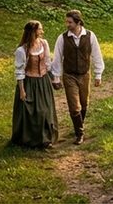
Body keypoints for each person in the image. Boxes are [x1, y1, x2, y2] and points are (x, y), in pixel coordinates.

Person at [51, 9, 104, 145]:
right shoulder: (62, 38)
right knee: (74, 106)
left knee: (84, 103)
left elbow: (97, 55)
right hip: (69, 75)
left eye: (70, 22)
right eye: (66, 22)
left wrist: (98, 74)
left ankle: (80, 125)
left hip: (85, 74)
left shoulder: (90, 36)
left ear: (78, 22)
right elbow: (57, 58)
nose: (67, 24)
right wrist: (56, 78)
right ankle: (79, 133)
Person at [10, 20, 59, 148]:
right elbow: (20, 71)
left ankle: (46, 139)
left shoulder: (44, 43)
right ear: (33, 31)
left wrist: (54, 78)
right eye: (40, 29)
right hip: (29, 83)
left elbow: (47, 63)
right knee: (32, 112)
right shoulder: (22, 50)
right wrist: (22, 90)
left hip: (43, 81)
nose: (42, 31)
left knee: (45, 110)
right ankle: (31, 140)